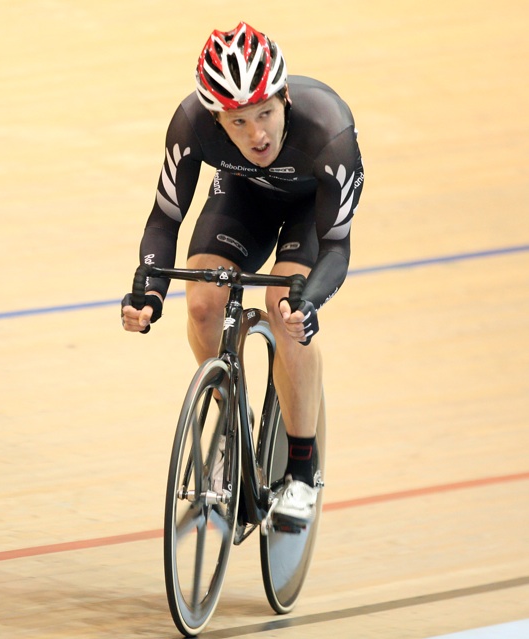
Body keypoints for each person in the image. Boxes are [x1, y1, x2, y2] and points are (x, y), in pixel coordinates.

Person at [122, 22, 364, 526]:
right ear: (215, 117)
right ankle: (232, 421)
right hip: (242, 198)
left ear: (285, 98)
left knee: (285, 312)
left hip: (307, 213)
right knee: (204, 302)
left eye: (266, 114)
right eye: (237, 123)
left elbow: (337, 246)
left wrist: (310, 301)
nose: (257, 134)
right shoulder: (190, 125)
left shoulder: (330, 132)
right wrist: (149, 291)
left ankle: (301, 471)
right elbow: (165, 218)